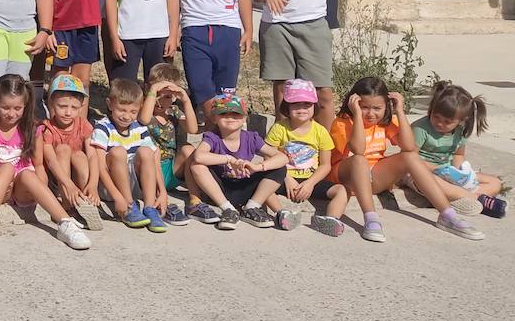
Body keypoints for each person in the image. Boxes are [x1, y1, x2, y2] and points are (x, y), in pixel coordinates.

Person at [330, 77, 484, 243]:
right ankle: (371, 219)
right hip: (345, 176)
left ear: (385, 106)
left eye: (377, 108)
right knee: (360, 160)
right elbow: (358, 150)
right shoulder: (342, 123)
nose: (371, 113)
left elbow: (409, 147)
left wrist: (400, 112)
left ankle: (447, 215)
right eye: (364, 107)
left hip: (374, 176)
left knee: (410, 157)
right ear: (355, 103)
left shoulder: (385, 122)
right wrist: (357, 116)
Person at [0, 74, 90, 252]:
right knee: (7, 168)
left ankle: (64, 223)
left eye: (18, 108)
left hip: (22, 187)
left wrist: (40, 187)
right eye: (5, 108)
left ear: (26, 106)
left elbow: (39, 164)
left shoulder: (32, 128)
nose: (11, 114)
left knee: (28, 173)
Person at [406, 81, 505, 217]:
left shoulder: (459, 132)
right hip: (421, 172)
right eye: (436, 117)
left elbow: (458, 155)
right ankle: (476, 199)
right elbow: (410, 158)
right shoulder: (420, 128)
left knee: (495, 183)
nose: (440, 123)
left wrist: (461, 173)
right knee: (433, 182)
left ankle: (456, 198)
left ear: (461, 120)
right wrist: (436, 169)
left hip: (447, 172)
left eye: (447, 122)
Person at [262, 79, 348, 235]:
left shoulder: (320, 131)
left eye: (307, 104)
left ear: (314, 106)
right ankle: (282, 214)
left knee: (341, 190)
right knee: (263, 186)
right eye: (296, 104)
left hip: (312, 179)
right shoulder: (279, 129)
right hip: (283, 177)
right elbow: (268, 158)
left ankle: (331, 219)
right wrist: (286, 177)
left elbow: (325, 165)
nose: (301, 109)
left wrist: (310, 184)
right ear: (286, 107)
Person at [191, 94, 288, 230]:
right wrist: (228, 159)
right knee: (197, 166)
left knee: (280, 168)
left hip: (246, 186)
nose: (230, 117)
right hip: (221, 189)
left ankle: (252, 207)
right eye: (223, 114)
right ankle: (228, 209)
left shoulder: (251, 138)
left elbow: (282, 158)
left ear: (244, 118)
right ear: (214, 118)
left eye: (236, 114)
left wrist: (258, 167)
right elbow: (199, 156)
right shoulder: (212, 137)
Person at [90, 78, 163, 231]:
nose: (127, 116)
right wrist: (118, 198)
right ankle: (129, 206)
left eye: (133, 112)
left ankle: (150, 207)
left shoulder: (139, 128)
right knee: (118, 151)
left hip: (134, 183)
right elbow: (100, 166)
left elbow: (154, 160)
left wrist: (162, 192)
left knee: (147, 151)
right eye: (122, 110)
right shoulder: (102, 128)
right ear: (110, 104)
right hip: (110, 187)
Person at [39, 73, 101, 231]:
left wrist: (93, 184)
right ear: (52, 102)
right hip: (58, 179)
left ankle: (86, 199)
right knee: (64, 149)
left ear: (81, 106)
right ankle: (66, 204)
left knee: (80, 155)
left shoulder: (83, 124)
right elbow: (51, 161)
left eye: (74, 108)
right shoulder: (48, 128)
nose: (68, 113)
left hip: (76, 176)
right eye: (62, 106)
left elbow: (93, 155)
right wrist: (68, 185)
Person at [140, 63, 199, 226]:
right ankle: (157, 199)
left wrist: (185, 100)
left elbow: (193, 129)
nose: (161, 101)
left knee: (188, 149)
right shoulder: (143, 108)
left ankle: (195, 200)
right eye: (158, 94)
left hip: (170, 168)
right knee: (151, 153)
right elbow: (144, 120)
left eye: (167, 96)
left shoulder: (173, 111)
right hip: (148, 169)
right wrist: (152, 92)